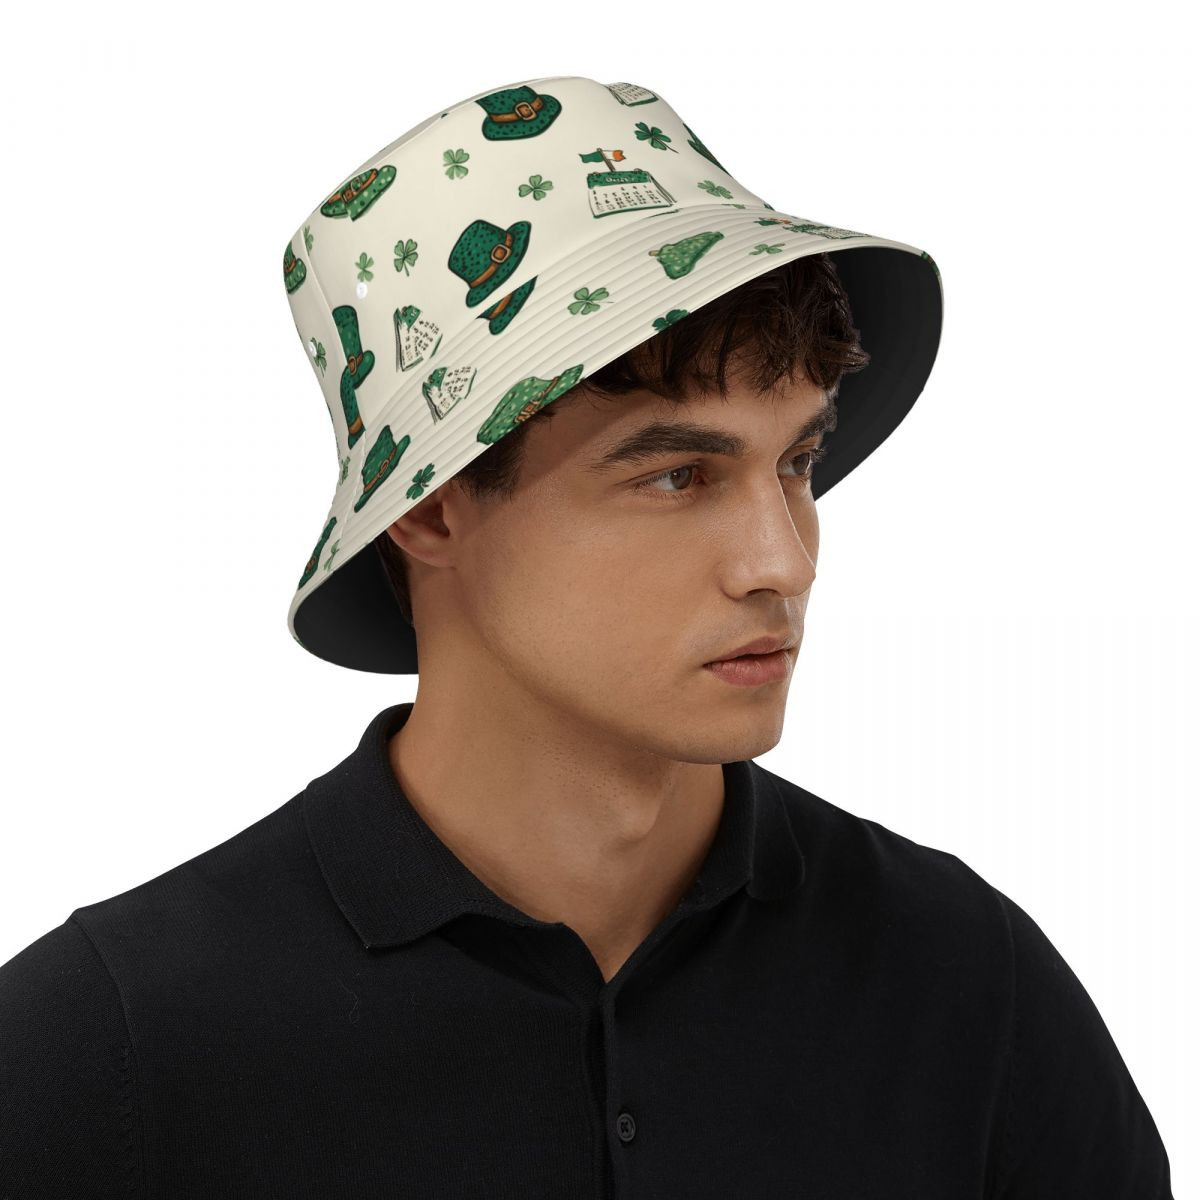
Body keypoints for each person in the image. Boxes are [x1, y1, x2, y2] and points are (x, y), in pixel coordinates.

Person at [0, 75, 1174, 1197]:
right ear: (432, 508)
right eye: (677, 476)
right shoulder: (104, 1053)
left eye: (798, 462)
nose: (782, 561)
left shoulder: (964, 985)